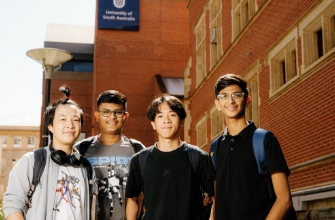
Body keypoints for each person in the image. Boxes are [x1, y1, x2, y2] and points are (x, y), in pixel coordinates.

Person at [3, 86, 98, 220]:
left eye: (75, 120)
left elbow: (93, 210)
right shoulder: (32, 161)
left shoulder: (87, 167)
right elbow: (13, 204)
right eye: (63, 119)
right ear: (50, 126)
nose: (70, 125)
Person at [208, 74, 295, 219]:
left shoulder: (264, 140)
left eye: (237, 95)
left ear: (247, 100)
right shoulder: (215, 147)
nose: (230, 100)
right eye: (224, 96)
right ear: (217, 104)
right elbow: (218, 201)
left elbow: (284, 200)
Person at [126, 94, 214, 220]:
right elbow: (132, 200)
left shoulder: (198, 157)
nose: (166, 120)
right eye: (160, 116)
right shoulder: (140, 160)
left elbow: (216, 200)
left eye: (172, 115)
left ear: (182, 121)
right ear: (153, 124)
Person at [74, 90, 145, 220]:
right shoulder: (80, 149)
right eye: (106, 112)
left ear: (125, 116)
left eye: (118, 112)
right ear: (97, 116)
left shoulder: (138, 149)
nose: (112, 117)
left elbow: (149, 193)